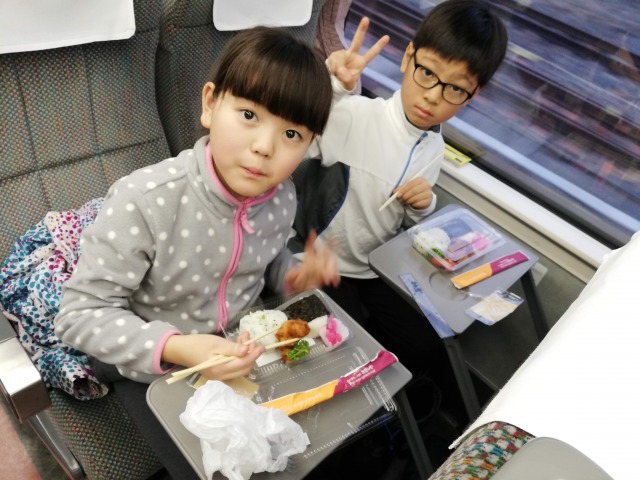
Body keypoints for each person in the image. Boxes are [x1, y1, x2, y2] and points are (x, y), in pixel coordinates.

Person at [54, 26, 335, 479]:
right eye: (248, 114)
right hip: (151, 361)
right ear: (209, 104)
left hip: (238, 348)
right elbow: (78, 315)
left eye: (291, 133)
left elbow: (263, 262)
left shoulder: (282, 197)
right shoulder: (144, 200)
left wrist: (293, 274)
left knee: (306, 448)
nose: (264, 147)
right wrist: (178, 347)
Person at [292, 0, 508, 378]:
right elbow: (295, 137)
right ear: (408, 58)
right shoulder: (356, 115)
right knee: (343, 354)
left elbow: (403, 219)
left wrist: (423, 206)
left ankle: (404, 401)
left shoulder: (434, 147)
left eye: (455, 89)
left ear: (473, 94)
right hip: (322, 264)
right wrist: (333, 87)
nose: (433, 96)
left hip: (376, 268)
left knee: (424, 343)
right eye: (427, 73)